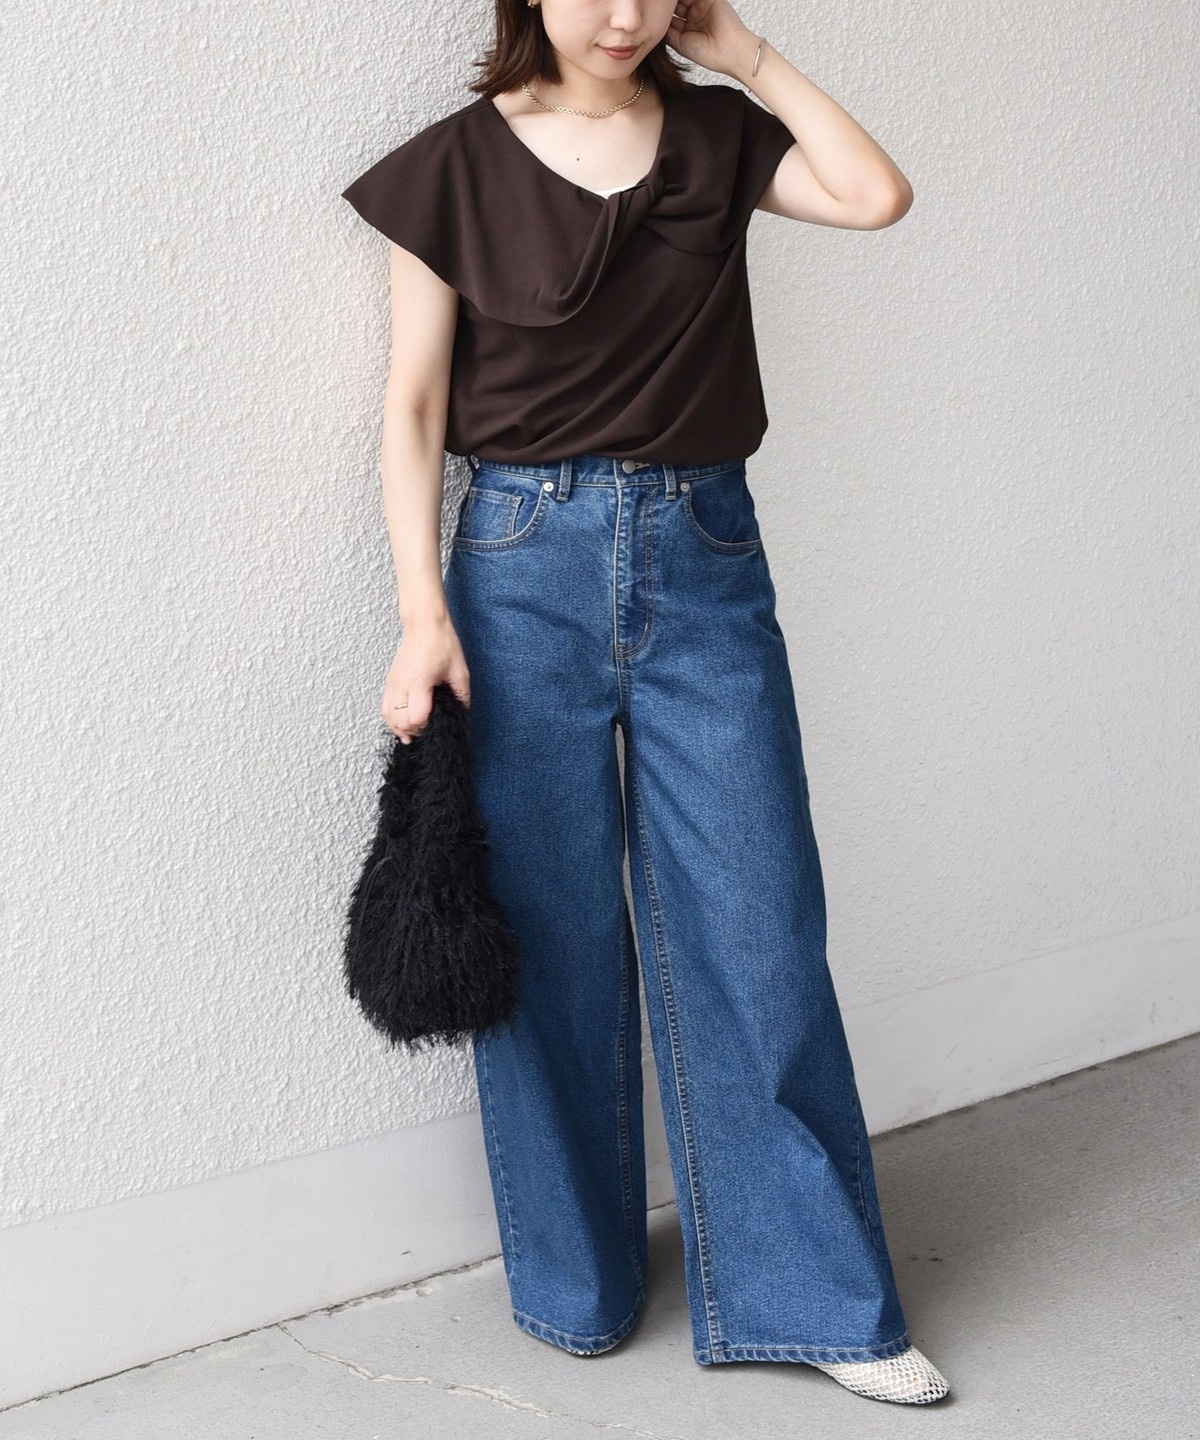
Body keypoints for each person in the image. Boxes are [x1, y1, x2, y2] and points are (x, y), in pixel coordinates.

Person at [341, 0, 949, 1408]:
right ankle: (578, 1284)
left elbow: (875, 195)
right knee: (547, 931)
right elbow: (412, 410)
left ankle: (819, 1300)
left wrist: (747, 56)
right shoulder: (449, 168)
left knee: (758, 923)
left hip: (705, 548)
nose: (623, 15)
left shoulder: (721, 137)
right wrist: (424, 618)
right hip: (518, 564)